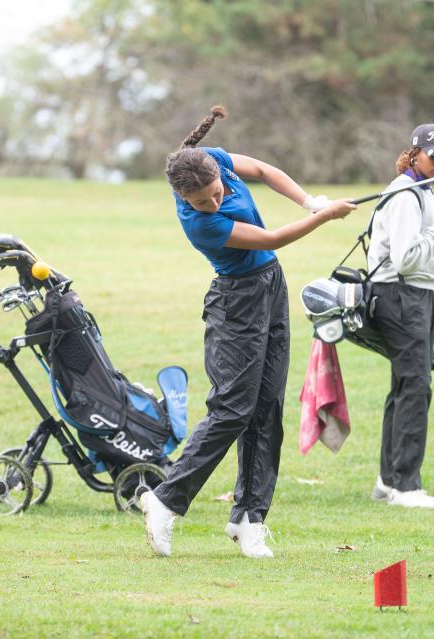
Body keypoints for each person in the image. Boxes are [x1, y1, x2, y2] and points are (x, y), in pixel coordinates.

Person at [140, 105, 357, 558]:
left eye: (217, 193)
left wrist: (308, 201)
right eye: (204, 201)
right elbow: (273, 239)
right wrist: (324, 217)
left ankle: (249, 518)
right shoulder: (199, 223)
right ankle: (164, 500)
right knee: (232, 409)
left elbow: (260, 168)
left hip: (271, 286)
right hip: (235, 303)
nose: (214, 203)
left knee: (267, 408)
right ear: (185, 199)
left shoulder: (213, 160)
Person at [366, 123, 434, 509]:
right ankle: (405, 486)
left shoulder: (419, 190)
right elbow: (405, 258)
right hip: (401, 296)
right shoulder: (406, 195)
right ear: (415, 153)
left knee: (405, 386)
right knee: (415, 387)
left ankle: (389, 480)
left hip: (407, 296)